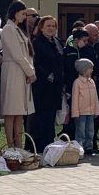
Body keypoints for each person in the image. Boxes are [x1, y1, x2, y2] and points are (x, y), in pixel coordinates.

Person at [0, 1, 37, 149]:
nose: (25, 17)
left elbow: (27, 54)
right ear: (15, 12)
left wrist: (29, 71)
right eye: (23, 14)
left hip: (22, 71)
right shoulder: (8, 29)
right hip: (13, 71)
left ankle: (19, 146)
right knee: (11, 111)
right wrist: (31, 71)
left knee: (20, 111)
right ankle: (10, 146)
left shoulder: (18, 29)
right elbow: (17, 54)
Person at [30, 16, 64, 152]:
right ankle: (38, 148)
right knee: (40, 119)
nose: (51, 28)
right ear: (41, 28)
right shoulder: (37, 42)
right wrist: (47, 75)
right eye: (48, 26)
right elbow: (35, 63)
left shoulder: (56, 42)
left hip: (55, 87)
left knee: (50, 119)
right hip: (42, 87)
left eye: (53, 26)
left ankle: (49, 147)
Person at [71, 59, 99, 154]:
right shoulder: (77, 82)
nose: (92, 70)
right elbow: (75, 99)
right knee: (80, 131)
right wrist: (75, 112)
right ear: (84, 70)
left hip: (91, 112)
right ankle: (79, 147)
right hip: (81, 112)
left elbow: (95, 97)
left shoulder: (92, 82)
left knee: (90, 131)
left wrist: (97, 111)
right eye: (90, 68)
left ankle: (88, 147)